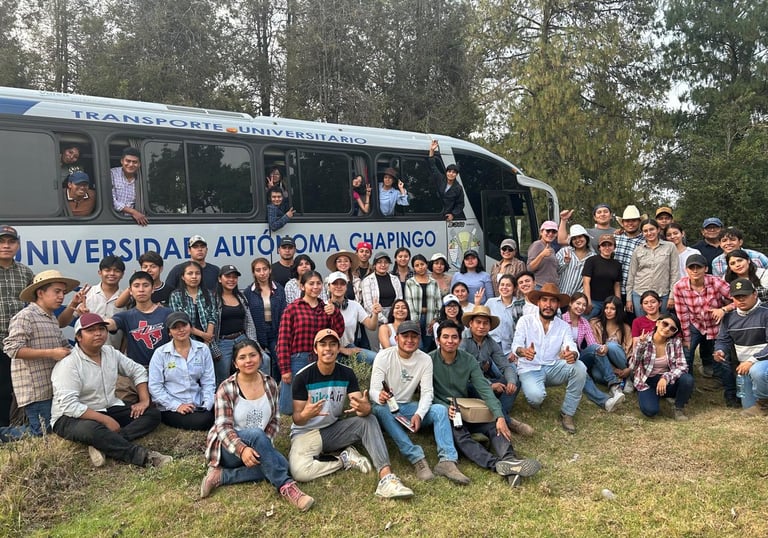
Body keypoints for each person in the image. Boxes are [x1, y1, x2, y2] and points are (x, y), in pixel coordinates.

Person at [289, 329, 414, 499]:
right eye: (323, 344)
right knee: (300, 472)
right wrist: (306, 414)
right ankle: (343, 459)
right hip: (306, 433)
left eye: (333, 344)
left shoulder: (346, 373)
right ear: (315, 349)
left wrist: (364, 407)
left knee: (368, 419)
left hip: (333, 429)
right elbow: (297, 419)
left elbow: (361, 406)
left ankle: (386, 478)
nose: (328, 349)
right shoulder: (302, 377)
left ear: (338, 348)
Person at [201, 339, 314, 509]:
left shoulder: (270, 384)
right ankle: (287, 487)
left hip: (259, 445)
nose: (248, 361)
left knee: (282, 464)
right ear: (235, 363)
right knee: (258, 438)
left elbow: (275, 420)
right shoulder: (226, 388)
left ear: (261, 358)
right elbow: (223, 428)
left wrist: (262, 447)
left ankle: (221, 477)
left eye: (253, 355)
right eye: (242, 357)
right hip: (228, 448)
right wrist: (243, 449)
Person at [50, 313, 172, 467]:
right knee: (92, 429)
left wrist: (144, 400)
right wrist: (106, 420)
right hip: (70, 417)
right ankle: (145, 457)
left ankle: (104, 443)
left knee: (152, 414)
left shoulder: (110, 353)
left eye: (101, 329)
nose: (98, 333)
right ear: (79, 337)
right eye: (91, 330)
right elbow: (69, 405)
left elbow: (137, 371)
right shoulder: (69, 364)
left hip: (107, 407)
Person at [430, 321, 541, 487]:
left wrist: (500, 416)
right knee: (460, 435)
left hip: (467, 407)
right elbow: (426, 394)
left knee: (492, 425)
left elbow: (484, 388)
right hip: (446, 411)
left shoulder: (468, 360)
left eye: (454, 337)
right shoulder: (429, 360)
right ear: (438, 340)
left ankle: (509, 460)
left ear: (460, 340)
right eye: (445, 337)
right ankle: (497, 465)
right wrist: (445, 407)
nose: (450, 341)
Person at [371, 320, 470, 484]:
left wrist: (419, 413)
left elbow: (427, 393)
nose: (409, 340)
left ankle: (447, 460)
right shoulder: (384, 356)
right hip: (386, 407)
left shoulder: (424, 359)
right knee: (380, 409)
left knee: (439, 409)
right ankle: (417, 458)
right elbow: (374, 389)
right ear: (396, 338)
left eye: (414, 336)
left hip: (408, 408)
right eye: (405, 336)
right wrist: (379, 396)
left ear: (419, 339)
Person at [0, 270, 77, 440]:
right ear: (40, 293)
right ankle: (3, 434)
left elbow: (64, 346)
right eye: (57, 291)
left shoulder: (51, 319)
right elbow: (12, 348)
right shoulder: (25, 317)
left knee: (52, 430)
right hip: (35, 390)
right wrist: (51, 353)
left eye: (63, 292)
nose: (61, 296)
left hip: (51, 387)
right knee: (42, 433)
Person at [511, 284, 586, 434]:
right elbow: (516, 345)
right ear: (538, 302)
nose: (548, 305)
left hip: (552, 367)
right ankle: (535, 393)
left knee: (580, 367)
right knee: (536, 398)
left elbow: (571, 346)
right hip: (529, 368)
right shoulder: (525, 321)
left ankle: (568, 413)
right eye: (544, 300)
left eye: (553, 301)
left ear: (558, 305)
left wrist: (573, 354)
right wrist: (523, 352)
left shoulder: (563, 326)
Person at [276, 271, 344, 415]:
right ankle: (284, 434)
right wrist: (285, 369)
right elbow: (283, 340)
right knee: (288, 407)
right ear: (302, 286)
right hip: (298, 359)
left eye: (318, 283)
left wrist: (335, 313)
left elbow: (338, 332)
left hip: (321, 359)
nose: (315, 287)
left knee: (317, 402)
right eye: (311, 283)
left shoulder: (326, 308)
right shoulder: (292, 309)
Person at [460, 306, 531, 434]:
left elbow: (505, 365)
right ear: (471, 323)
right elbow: (464, 371)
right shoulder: (463, 340)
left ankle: (496, 412)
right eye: (478, 322)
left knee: (516, 379)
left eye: (485, 323)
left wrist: (511, 381)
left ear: (489, 326)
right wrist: (490, 385)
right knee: (478, 388)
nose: (481, 326)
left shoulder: (490, 342)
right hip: (467, 384)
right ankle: (508, 421)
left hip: (484, 382)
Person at [673, 254, 733, 397]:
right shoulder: (679, 286)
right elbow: (683, 315)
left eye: (698, 267)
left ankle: (721, 382)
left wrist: (723, 309)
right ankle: (687, 384)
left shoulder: (716, 282)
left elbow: (738, 298)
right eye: (691, 267)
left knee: (721, 353)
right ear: (686, 269)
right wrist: (686, 337)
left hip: (717, 322)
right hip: (695, 323)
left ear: (705, 268)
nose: (695, 271)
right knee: (687, 351)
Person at [149, 311, 215, 430]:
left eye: (184, 325)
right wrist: (177, 406)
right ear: (169, 332)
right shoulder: (160, 354)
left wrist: (207, 405)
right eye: (175, 327)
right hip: (172, 407)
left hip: (198, 401)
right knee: (204, 421)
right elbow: (155, 387)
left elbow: (208, 381)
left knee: (227, 408)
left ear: (190, 327)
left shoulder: (203, 349)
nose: (181, 330)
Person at [562, 293, 626, 413]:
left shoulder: (584, 322)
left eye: (584, 305)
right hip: (563, 358)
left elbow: (591, 343)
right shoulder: (561, 319)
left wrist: (601, 348)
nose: (580, 307)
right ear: (571, 303)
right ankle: (606, 402)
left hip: (578, 356)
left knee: (596, 348)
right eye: (578, 303)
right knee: (581, 374)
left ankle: (614, 387)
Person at [714, 279, 768, 416]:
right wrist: (720, 350)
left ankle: (763, 405)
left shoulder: (766, 312)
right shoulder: (729, 317)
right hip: (744, 367)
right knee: (747, 407)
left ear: (755, 294)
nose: (741, 299)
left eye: (745, 295)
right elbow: (722, 340)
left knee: (758, 371)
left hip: (759, 363)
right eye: (737, 297)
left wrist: (752, 361)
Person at [630, 314, 693, 420]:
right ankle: (654, 395)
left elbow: (682, 366)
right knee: (650, 411)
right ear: (658, 323)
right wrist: (641, 346)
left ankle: (678, 408)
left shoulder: (675, 342)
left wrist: (665, 377)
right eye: (665, 323)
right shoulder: (644, 339)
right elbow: (633, 366)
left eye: (672, 328)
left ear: (674, 333)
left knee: (687, 379)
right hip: (647, 381)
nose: (667, 328)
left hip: (666, 381)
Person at [0, 225, 33, 428]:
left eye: (11, 242)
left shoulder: (25, 273)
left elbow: (35, 304)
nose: (6, 246)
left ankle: (18, 427)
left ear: (18, 245)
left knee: (18, 387)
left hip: (18, 342)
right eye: (2, 242)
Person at [106, 271, 172, 368]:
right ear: (130, 291)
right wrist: (94, 321)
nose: (141, 290)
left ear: (153, 289)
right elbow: (110, 324)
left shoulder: (168, 313)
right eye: (136, 286)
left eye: (145, 285)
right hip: (136, 370)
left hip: (165, 367)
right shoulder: (126, 316)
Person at [213, 265, 262, 385]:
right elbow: (210, 325)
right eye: (227, 276)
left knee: (264, 359)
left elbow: (249, 322)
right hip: (223, 341)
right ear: (220, 279)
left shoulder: (240, 296)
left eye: (234, 277)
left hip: (242, 338)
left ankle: (259, 390)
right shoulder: (214, 298)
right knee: (223, 371)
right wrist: (214, 348)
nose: (231, 280)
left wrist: (254, 342)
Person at [244, 257, 286, 380]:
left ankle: (279, 390)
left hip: (275, 333)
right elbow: (247, 317)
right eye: (258, 270)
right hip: (257, 333)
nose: (262, 273)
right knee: (263, 363)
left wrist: (281, 336)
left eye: (264, 269)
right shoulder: (248, 292)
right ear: (253, 273)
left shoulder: (279, 290)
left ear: (270, 270)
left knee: (280, 362)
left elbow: (284, 313)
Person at [626, 218, 679, 315]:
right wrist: (629, 299)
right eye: (645, 231)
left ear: (658, 229)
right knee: (642, 324)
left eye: (652, 229)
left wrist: (672, 296)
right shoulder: (638, 250)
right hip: (640, 293)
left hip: (662, 294)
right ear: (642, 233)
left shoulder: (670, 247)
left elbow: (675, 273)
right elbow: (631, 275)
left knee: (661, 325)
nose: (649, 233)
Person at [326, 271, 378, 365]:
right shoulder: (323, 306)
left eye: (342, 284)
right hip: (328, 350)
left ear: (346, 287)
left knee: (377, 359)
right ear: (329, 287)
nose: (339, 286)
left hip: (349, 347)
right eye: (335, 283)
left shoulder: (354, 305)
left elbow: (372, 326)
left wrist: (375, 313)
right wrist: (342, 350)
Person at [168, 261, 218, 352]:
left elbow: (213, 315)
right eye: (190, 273)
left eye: (197, 273)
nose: (194, 277)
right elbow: (179, 322)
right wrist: (203, 335)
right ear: (183, 277)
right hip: (186, 342)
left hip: (209, 342)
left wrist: (208, 337)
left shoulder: (208, 294)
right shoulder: (176, 296)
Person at [589, 296, 634, 393]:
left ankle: (627, 377)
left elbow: (630, 351)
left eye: (613, 309)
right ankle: (619, 379)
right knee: (596, 374)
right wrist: (613, 369)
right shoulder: (595, 323)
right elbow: (595, 348)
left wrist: (629, 369)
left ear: (618, 310)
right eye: (606, 308)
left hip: (621, 361)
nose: (608, 311)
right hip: (603, 362)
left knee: (611, 345)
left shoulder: (625, 327)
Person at [360, 251, 402, 352]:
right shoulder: (367, 280)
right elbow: (368, 305)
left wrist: (393, 317)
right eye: (379, 262)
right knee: (376, 350)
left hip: (393, 316)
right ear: (374, 265)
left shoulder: (395, 279)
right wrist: (384, 320)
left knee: (395, 347)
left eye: (386, 262)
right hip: (374, 318)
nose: (383, 265)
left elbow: (399, 299)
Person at [83, 255, 127, 349]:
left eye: (117, 271)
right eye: (107, 270)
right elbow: (63, 322)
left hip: (115, 355)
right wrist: (73, 304)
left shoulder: (127, 298)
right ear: (100, 272)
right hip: (87, 354)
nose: (112, 273)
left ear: (123, 274)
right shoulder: (87, 293)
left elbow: (128, 331)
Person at [404, 254, 441, 351]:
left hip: (430, 318)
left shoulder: (434, 282)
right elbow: (409, 303)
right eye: (417, 265)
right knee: (418, 346)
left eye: (422, 264)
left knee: (428, 346)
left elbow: (438, 302)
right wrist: (415, 322)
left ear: (426, 265)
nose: (420, 267)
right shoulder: (410, 282)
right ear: (414, 268)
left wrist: (436, 319)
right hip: (416, 318)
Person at [582, 234, 622, 318]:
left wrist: (618, 303)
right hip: (593, 301)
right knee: (585, 322)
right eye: (604, 245)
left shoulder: (617, 264)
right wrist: (588, 301)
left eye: (610, 245)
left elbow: (617, 285)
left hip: (609, 304)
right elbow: (586, 282)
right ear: (599, 247)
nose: (607, 248)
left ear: (614, 247)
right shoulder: (591, 261)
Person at [612, 205, 646, 301]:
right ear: (622, 223)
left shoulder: (645, 240)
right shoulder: (615, 238)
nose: (630, 224)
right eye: (627, 221)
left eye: (634, 220)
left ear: (639, 222)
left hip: (636, 289)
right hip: (614, 288)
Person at [428, 140, 465, 221]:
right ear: (446, 172)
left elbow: (460, 204)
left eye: (454, 172)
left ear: (456, 174)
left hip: (446, 217)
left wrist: (453, 214)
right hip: (434, 212)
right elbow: (433, 166)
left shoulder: (458, 188)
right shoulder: (440, 178)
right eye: (449, 171)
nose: (451, 174)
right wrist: (432, 150)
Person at [111, 147, 147, 226]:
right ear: (122, 161)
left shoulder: (142, 178)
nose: (131, 165)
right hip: (114, 220)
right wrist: (133, 212)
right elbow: (111, 201)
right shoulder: (112, 173)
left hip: (135, 222)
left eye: (135, 162)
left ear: (139, 164)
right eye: (128, 161)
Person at [556, 224, 595, 296]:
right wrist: (565, 263)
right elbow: (555, 271)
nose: (578, 240)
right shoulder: (564, 251)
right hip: (559, 295)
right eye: (574, 238)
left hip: (576, 300)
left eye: (580, 237)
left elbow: (592, 280)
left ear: (586, 237)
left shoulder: (593, 257)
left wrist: (579, 295)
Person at [486, 274, 518, 360]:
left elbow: (521, 331)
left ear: (514, 288)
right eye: (502, 284)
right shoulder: (490, 302)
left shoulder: (519, 305)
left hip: (510, 350)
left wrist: (514, 351)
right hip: (490, 348)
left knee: (510, 372)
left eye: (508, 285)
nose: (504, 287)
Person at [527, 221, 560, 286]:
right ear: (541, 232)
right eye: (548, 231)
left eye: (554, 232)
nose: (550, 234)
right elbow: (529, 268)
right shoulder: (537, 244)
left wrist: (566, 262)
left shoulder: (551, 249)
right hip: (540, 286)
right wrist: (542, 255)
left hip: (552, 287)